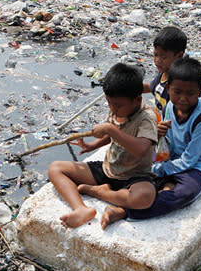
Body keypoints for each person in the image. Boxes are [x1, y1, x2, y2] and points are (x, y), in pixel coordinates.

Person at [82, 57, 201, 228]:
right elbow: (168, 143)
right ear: (168, 88)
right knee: (151, 183)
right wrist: (160, 138)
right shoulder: (171, 106)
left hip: (200, 165)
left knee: (183, 194)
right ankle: (125, 197)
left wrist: (158, 168)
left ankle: (123, 210)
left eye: (190, 93)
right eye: (177, 92)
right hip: (173, 159)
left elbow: (190, 160)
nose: (183, 98)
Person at [47, 63, 158, 228]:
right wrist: (93, 145)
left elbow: (141, 149)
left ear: (137, 100)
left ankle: (99, 192)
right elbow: (111, 136)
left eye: (118, 105)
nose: (113, 108)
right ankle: (81, 209)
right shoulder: (117, 109)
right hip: (109, 169)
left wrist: (111, 130)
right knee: (55, 169)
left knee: (145, 198)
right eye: (109, 103)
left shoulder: (146, 118)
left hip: (134, 176)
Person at [144, 26, 187, 118]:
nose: (157, 60)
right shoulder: (163, 73)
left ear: (179, 56)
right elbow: (151, 87)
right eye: (155, 55)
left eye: (163, 57)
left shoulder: (177, 84)